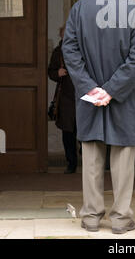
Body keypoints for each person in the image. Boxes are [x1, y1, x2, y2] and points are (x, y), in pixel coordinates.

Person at [62, 0, 135, 234]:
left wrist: (90, 88)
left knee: (91, 159)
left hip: (89, 97)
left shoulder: (80, 8)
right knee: (123, 160)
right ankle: (121, 220)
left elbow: (70, 50)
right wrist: (111, 89)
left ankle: (90, 218)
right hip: (125, 95)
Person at [48, 25, 78, 174]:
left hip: (83, 96)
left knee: (85, 132)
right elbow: (51, 71)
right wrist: (57, 72)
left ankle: (90, 162)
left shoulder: (83, 49)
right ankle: (71, 163)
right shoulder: (58, 52)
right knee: (68, 133)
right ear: (61, 36)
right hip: (66, 98)